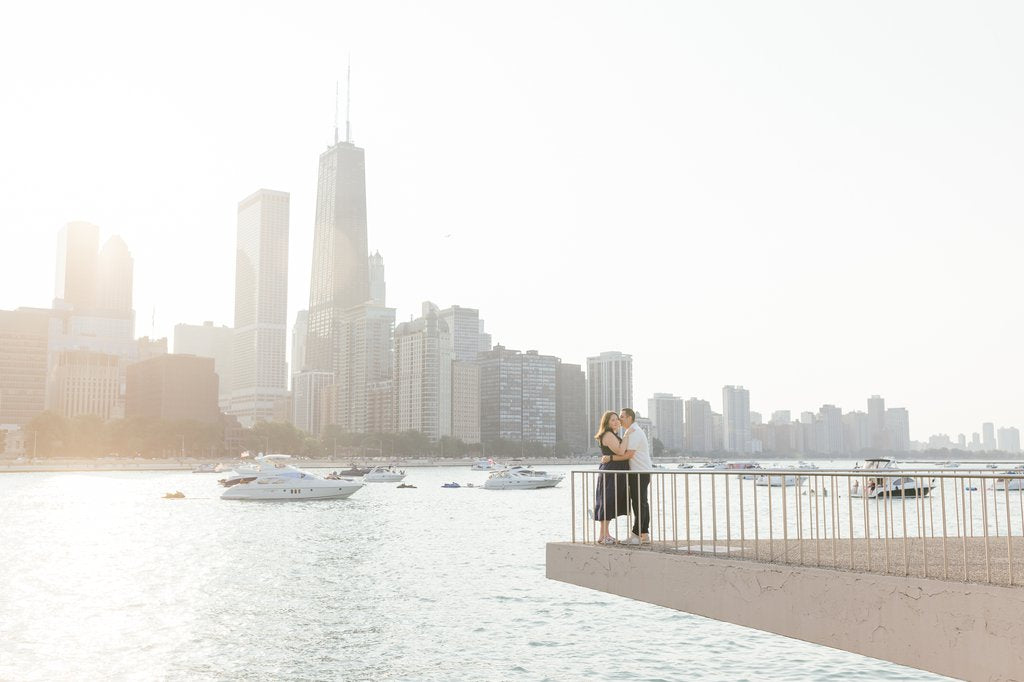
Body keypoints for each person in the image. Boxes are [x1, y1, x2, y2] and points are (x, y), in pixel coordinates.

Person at [593, 410, 635, 544]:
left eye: (617, 419)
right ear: (606, 422)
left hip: (614, 471)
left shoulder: (612, 434)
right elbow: (621, 451)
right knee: (607, 501)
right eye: (612, 420)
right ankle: (603, 536)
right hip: (611, 472)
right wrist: (627, 435)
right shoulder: (608, 435)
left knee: (609, 502)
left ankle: (604, 535)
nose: (616, 421)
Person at [619, 408, 652, 545]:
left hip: (639, 472)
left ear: (629, 418)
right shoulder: (632, 431)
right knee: (642, 502)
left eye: (622, 417)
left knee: (639, 503)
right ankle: (644, 534)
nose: (620, 419)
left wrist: (609, 458)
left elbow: (628, 454)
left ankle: (636, 535)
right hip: (640, 471)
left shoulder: (634, 432)